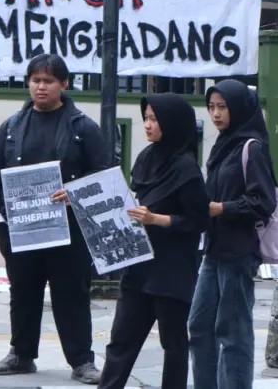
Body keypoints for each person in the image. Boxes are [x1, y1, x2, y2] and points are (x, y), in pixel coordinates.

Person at [0, 54, 107, 384]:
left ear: (64, 85)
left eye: (48, 81)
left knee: (71, 294)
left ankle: (82, 361)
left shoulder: (83, 127)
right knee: (23, 292)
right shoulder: (12, 126)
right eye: (35, 80)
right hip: (20, 229)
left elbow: (103, 174)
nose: (41, 87)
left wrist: (75, 192)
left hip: (69, 230)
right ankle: (21, 354)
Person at [99, 93, 208, 389]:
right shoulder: (146, 158)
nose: (147, 125)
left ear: (171, 123)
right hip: (139, 265)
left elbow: (199, 221)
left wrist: (157, 219)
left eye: (154, 119)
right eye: (146, 117)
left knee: (173, 344)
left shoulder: (186, 168)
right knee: (121, 340)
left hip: (172, 271)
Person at [188, 79, 277, 389]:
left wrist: (221, 208)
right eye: (211, 107)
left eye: (222, 107)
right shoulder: (223, 145)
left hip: (238, 252)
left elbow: (263, 202)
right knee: (199, 325)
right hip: (213, 250)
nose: (215, 114)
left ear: (238, 108)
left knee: (233, 330)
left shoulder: (252, 148)